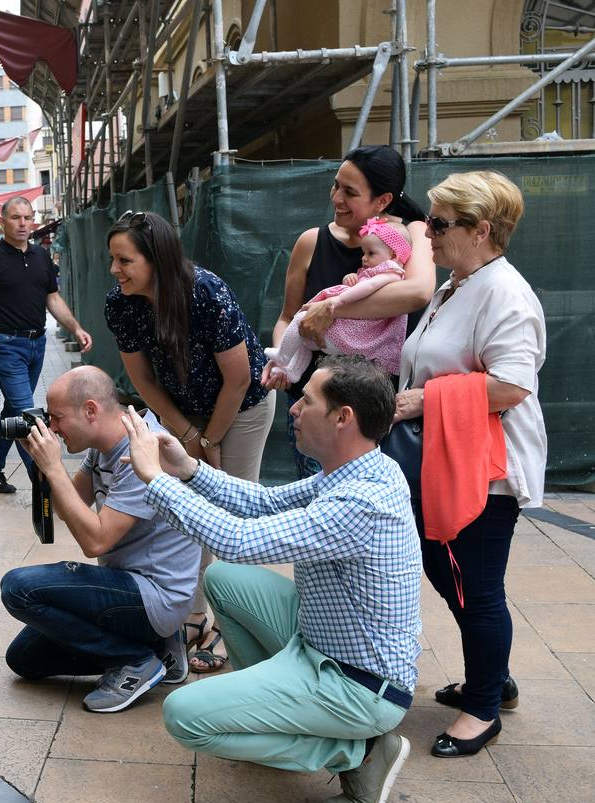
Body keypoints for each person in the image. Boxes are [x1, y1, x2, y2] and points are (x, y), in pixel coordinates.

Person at [120, 355, 423, 803]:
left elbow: (239, 541)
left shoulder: (362, 501)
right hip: (320, 644)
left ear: (344, 418)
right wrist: (188, 471)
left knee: (183, 715)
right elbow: (260, 503)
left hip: (357, 685)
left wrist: (155, 480)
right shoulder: (356, 470)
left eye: (306, 400)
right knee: (223, 579)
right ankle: (278, 710)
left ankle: (354, 751)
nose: (294, 408)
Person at [396, 171, 546, 758]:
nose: (426, 233)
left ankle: (483, 706)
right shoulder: (458, 282)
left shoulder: (504, 292)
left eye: (438, 223)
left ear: (481, 231)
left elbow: (511, 385)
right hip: (448, 458)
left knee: (476, 586)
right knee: (447, 571)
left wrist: (420, 399)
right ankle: (493, 674)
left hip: (485, 467)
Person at [104, 211, 275, 674]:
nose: (115, 270)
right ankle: (198, 621)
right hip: (182, 412)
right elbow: (143, 380)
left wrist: (212, 439)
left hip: (239, 408)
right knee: (188, 518)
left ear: (156, 260)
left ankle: (239, 626)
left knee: (235, 519)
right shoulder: (122, 303)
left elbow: (238, 380)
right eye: (112, 259)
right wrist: (189, 436)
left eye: (125, 260)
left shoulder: (204, 291)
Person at [1, 366, 200, 713]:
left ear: (90, 410)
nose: (54, 427)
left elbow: (95, 542)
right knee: (24, 658)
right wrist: (42, 463)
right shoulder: (103, 446)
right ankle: (159, 649)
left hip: (155, 595)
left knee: (18, 588)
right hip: (128, 586)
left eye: (57, 418)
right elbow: (68, 509)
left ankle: (137, 660)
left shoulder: (140, 451)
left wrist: (54, 469)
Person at [267, 145, 434, 477]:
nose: (336, 198)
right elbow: (288, 316)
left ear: (383, 200)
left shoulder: (414, 233)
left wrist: (329, 309)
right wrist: (287, 361)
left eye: (350, 192)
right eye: (336, 185)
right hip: (316, 401)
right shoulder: (312, 242)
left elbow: (417, 292)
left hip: (380, 407)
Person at [0, 197, 92, 493]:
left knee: (13, 411)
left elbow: (53, 298)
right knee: (26, 417)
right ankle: (50, 485)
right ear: (2, 222)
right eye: (15, 218)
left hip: (37, 345)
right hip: (4, 345)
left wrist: (76, 328)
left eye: (27, 217)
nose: (22, 223)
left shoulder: (40, 256)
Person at [265, 218, 412, 384]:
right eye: (364, 253)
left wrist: (335, 301)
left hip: (351, 336)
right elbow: (362, 285)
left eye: (370, 253)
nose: (364, 258)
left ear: (393, 254)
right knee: (306, 341)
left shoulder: (391, 273)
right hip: (350, 338)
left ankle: (282, 355)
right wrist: (351, 278)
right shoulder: (375, 272)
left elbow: (367, 288)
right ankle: (292, 371)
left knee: (302, 320)